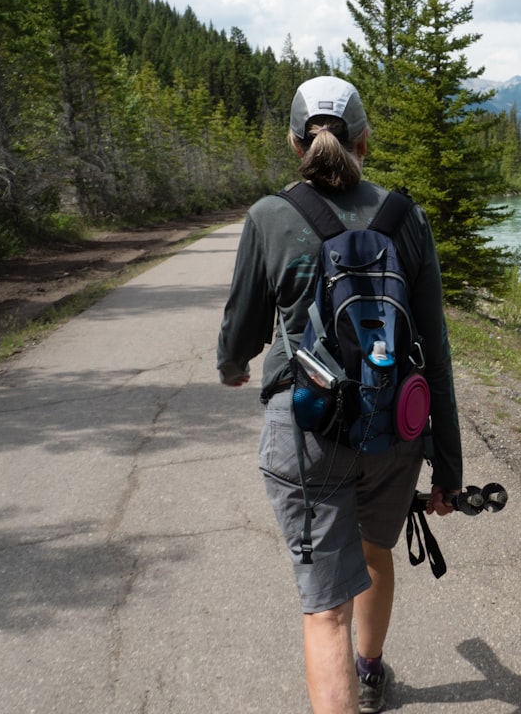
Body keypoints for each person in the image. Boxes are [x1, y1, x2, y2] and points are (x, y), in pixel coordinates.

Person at [216, 75, 463, 714]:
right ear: (365, 140)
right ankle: (371, 670)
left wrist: (232, 366)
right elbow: (435, 353)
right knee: (375, 550)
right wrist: (449, 469)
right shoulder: (406, 218)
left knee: (325, 610)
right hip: (392, 431)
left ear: (295, 143)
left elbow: (242, 329)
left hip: (307, 429)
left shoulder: (270, 216)